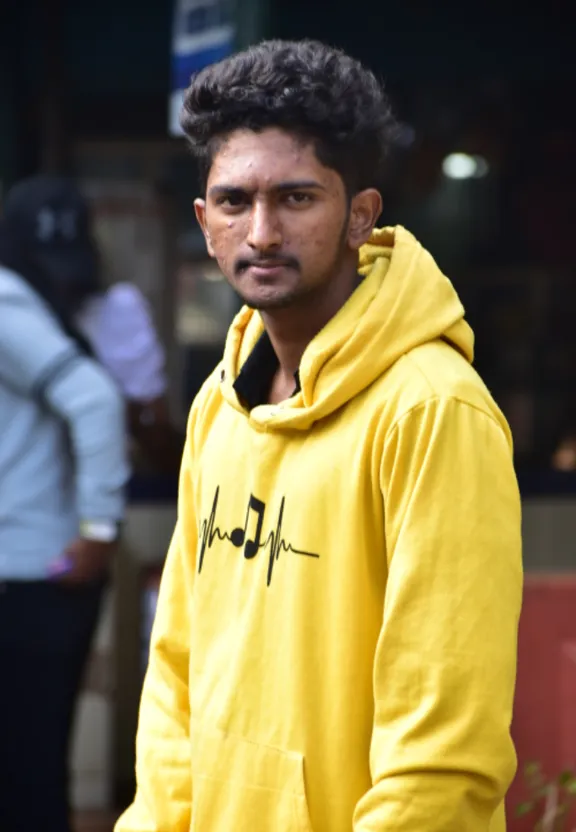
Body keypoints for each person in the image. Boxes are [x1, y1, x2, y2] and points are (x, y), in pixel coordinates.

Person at [117, 40, 523, 832]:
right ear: (204, 223)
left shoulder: (433, 412)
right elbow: (175, 680)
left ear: (360, 216)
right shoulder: (218, 407)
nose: (261, 232)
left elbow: (443, 759)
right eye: (234, 201)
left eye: (296, 199)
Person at [0, 175, 129, 832]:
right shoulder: (33, 304)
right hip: (37, 577)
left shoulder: (6, 300)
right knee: (29, 774)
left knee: (25, 779)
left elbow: (96, 401)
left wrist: (99, 527)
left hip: (29, 580)